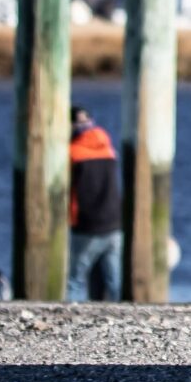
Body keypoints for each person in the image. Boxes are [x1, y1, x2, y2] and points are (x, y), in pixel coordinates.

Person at [68, 108, 123, 301]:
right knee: (114, 280)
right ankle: (119, 317)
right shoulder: (107, 148)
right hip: (115, 222)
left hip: (88, 225)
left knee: (74, 280)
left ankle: (67, 316)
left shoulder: (72, 153)